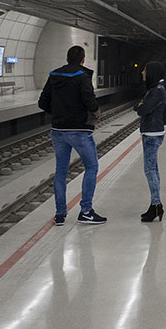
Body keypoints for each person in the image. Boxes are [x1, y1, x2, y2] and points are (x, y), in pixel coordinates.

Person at [37, 45, 106, 226]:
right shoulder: (82, 76)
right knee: (91, 166)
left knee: (61, 171)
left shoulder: (54, 75)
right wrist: (96, 112)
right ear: (83, 60)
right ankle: (86, 211)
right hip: (79, 131)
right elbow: (89, 100)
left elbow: (42, 103)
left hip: (58, 131)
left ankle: (60, 214)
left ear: (67, 59)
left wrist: (58, 113)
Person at [135, 61, 166, 222]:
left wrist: (140, 106)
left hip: (152, 133)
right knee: (153, 169)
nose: (142, 72)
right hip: (154, 131)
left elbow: (143, 110)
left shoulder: (156, 91)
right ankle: (155, 204)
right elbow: (141, 107)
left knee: (149, 170)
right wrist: (140, 105)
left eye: (145, 70)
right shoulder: (157, 89)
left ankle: (156, 205)